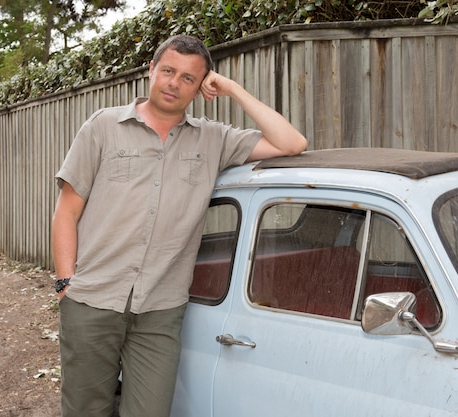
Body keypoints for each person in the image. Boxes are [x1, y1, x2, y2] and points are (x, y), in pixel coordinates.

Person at [51, 34, 307, 417]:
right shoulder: (103, 126)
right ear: (151, 70)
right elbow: (66, 211)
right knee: (85, 410)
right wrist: (65, 283)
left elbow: (291, 143)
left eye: (189, 78)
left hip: (160, 309)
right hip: (91, 300)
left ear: (202, 86)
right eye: (168, 71)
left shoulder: (215, 139)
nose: (174, 82)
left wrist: (233, 88)